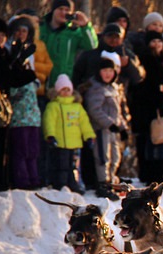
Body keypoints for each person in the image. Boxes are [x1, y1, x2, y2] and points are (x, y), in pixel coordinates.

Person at [6, 15, 43, 190]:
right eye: (18, 30)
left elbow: (33, 78)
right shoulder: (9, 52)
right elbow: (12, 84)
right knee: (20, 151)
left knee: (32, 150)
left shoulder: (30, 53)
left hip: (32, 115)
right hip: (18, 115)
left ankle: (34, 178)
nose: (21, 34)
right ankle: (22, 181)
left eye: (24, 31)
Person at [43, 74, 95, 193]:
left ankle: (73, 184)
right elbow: (49, 122)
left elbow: (84, 123)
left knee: (74, 166)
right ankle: (61, 184)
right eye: (63, 89)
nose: (66, 92)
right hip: (61, 142)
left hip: (75, 143)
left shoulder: (77, 107)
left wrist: (89, 136)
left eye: (68, 89)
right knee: (62, 165)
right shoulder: (53, 106)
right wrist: (50, 135)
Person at [129, 31, 163, 185]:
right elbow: (148, 86)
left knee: (156, 139)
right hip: (145, 106)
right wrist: (160, 99)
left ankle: (157, 173)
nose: (157, 45)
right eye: (154, 42)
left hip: (154, 104)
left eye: (159, 41)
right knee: (149, 141)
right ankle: (150, 174)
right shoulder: (147, 59)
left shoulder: (161, 59)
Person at [83, 55, 126, 200]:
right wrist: (109, 123)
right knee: (103, 157)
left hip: (113, 129)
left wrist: (122, 127)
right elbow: (94, 110)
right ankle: (102, 184)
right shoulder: (96, 88)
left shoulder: (113, 87)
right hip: (102, 129)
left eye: (110, 71)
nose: (108, 74)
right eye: (104, 70)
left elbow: (118, 110)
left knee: (115, 156)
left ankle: (111, 181)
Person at [39, 0, 97, 90]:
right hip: (40, 82)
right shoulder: (40, 28)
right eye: (60, 9)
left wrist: (86, 26)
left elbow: (92, 45)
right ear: (53, 10)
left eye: (67, 10)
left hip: (63, 85)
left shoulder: (73, 33)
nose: (63, 12)